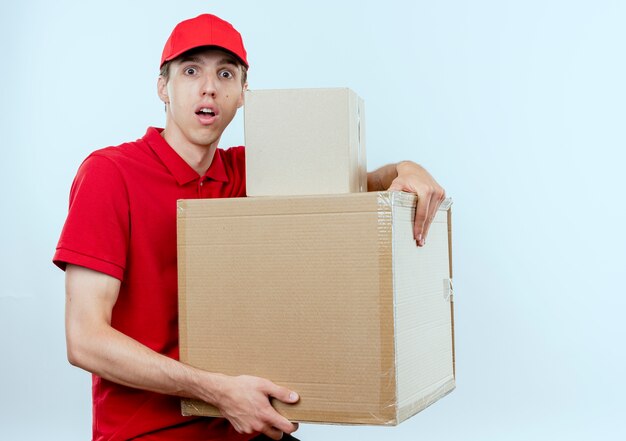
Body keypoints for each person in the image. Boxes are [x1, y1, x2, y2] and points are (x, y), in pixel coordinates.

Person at [53, 13, 445, 441]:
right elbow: (85, 338)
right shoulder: (110, 175)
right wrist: (217, 391)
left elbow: (359, 183)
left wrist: (408, 168)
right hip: (149, 431)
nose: (209, 87)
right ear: (163, 87)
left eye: (225, 73)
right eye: (190, 71)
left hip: (246, 426)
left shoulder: (250, 172)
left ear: (243, 94)